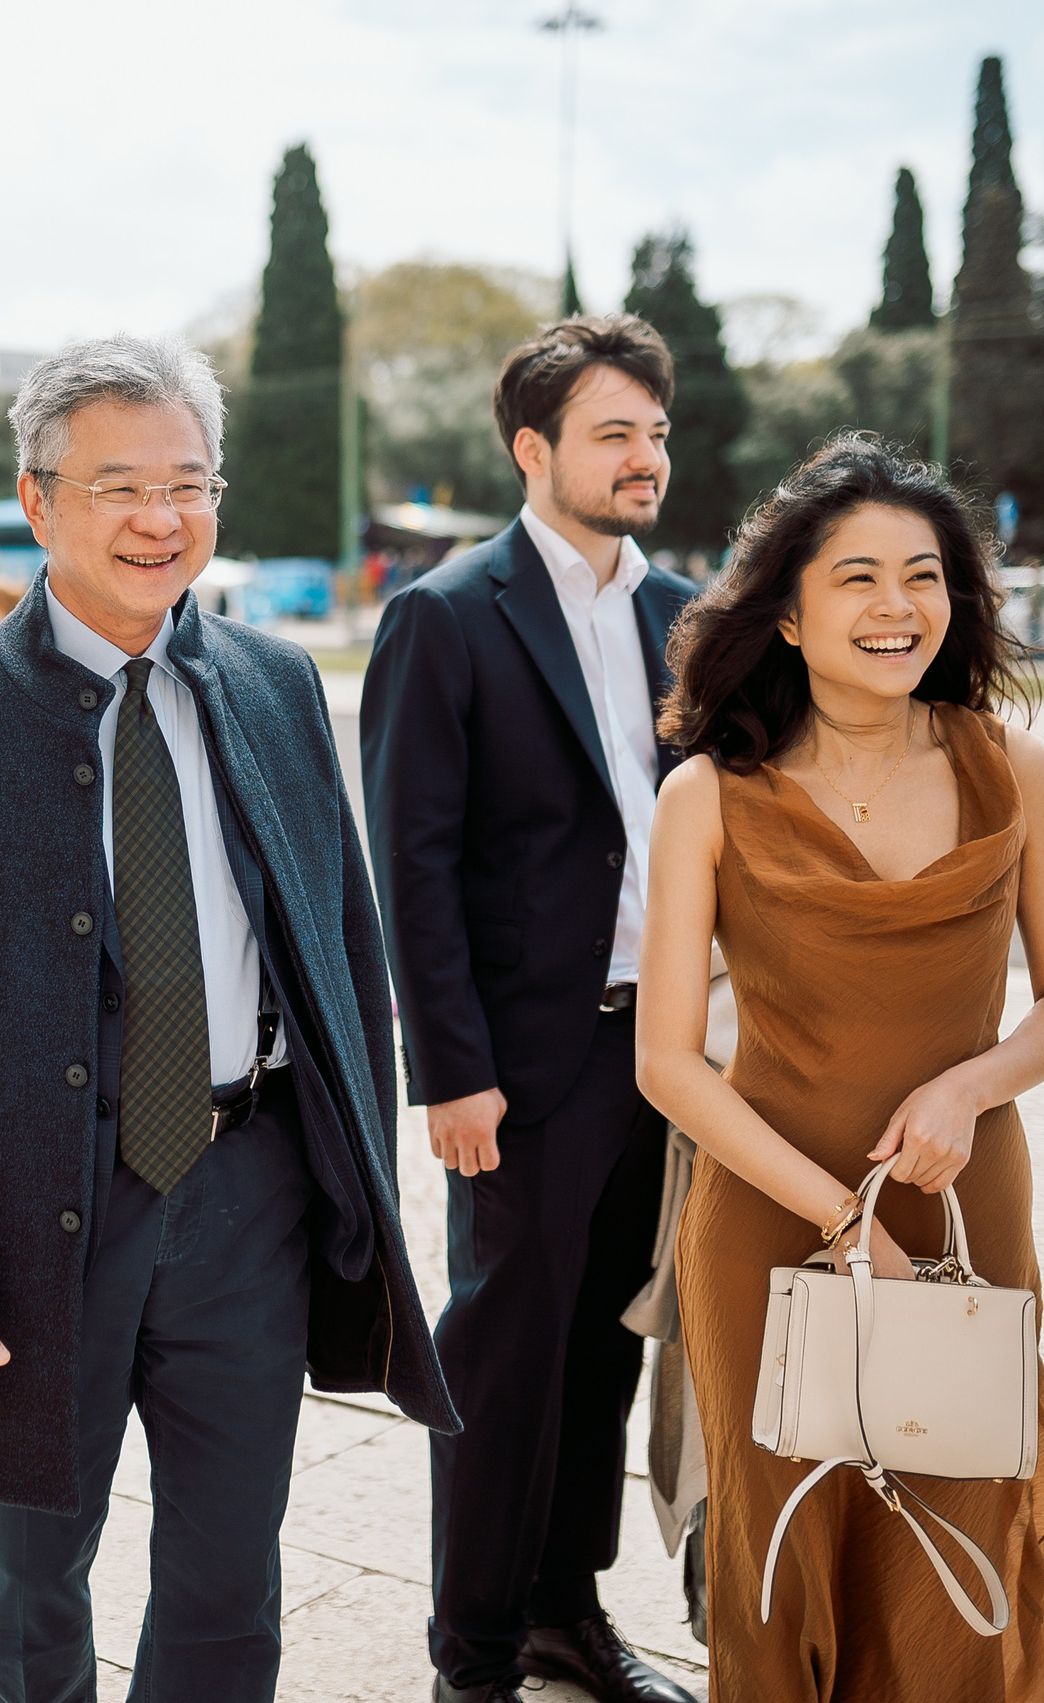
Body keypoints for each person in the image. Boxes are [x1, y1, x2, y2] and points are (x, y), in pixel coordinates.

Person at [0, 336, 455, 1703]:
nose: (161, 518)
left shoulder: (278, 685)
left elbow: (345, 952)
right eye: (120, 485)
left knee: (232, 1576)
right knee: (29, 1576)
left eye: (189, 482)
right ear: (38, 499)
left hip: (248, 1197)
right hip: (27, 1223)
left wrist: (357, 1191)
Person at [636, 434, 1044, 1700]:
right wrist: (842, 1216)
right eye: (857, 578)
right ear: (785, 614)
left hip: (961, 1209)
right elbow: (668, 1063)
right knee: (776, 1560)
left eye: (923, 576)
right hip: (767, 1220)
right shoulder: (709, 799)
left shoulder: (1017, 768)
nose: (896, 606)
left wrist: (970, 1084)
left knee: (949, 1546)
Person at [361, 314, 700, 1703]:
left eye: (658, 434)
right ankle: (476, 1656)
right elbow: (413, 863)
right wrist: (450, 1072)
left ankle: (569, 1612)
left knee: (606, 1354)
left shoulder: (688, 610)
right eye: (615, 432)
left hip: (664, 1054)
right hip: (522, 1068)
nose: (646, 457)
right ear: (533, 448)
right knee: (501, 1371)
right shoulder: (446, 614)